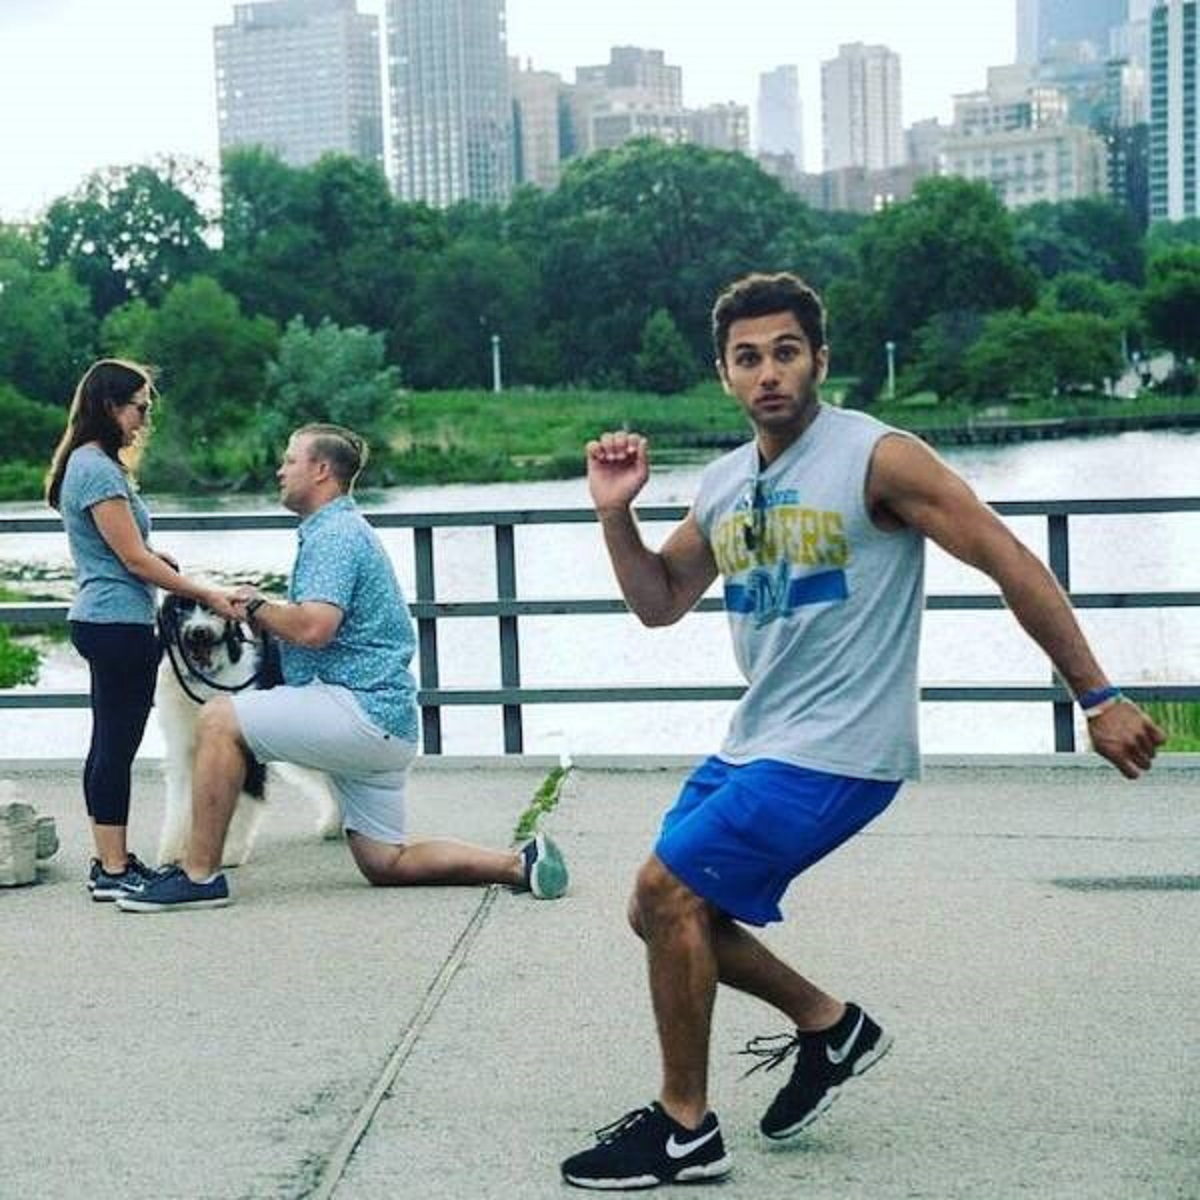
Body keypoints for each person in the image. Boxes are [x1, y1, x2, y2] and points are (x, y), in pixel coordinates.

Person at [560, 272, 1165, 1190]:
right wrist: (616, 516)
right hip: (756, 740)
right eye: (748, 358)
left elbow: (1008, 559)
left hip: (842, 745)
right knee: (656, 913)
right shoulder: (726, 484)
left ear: (820, 360)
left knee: (669, 888)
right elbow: (659, 602)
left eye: (786, 353)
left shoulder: (879, 459)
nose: (769, 374)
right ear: (724, 374)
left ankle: (684, 1129)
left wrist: (1097, 696)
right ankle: (829, 1026)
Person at [118, 423, 568, 912]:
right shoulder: (344, 530)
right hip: (387, 725)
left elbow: (314, 628)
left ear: (322, 470)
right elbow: (317, 627)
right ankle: (520, 863)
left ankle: (197, 876)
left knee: (219, 718)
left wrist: (252, 607)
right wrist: (268, 613)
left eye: (290, 460)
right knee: (385, 862)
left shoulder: (333, 534)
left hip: (354, 710)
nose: (280, 469)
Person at [46, 358, 239, 902]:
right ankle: (113, 867)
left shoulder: (86, 464)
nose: (143, 420)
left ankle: (110, 859)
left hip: (103, 615)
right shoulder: (99, 469)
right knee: (116, 746)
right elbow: (130, 561)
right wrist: (202, 591)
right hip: (117, 621)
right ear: (109, 406)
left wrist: (156, 557)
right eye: (138, 408)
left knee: (107, 743)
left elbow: (122, 550)